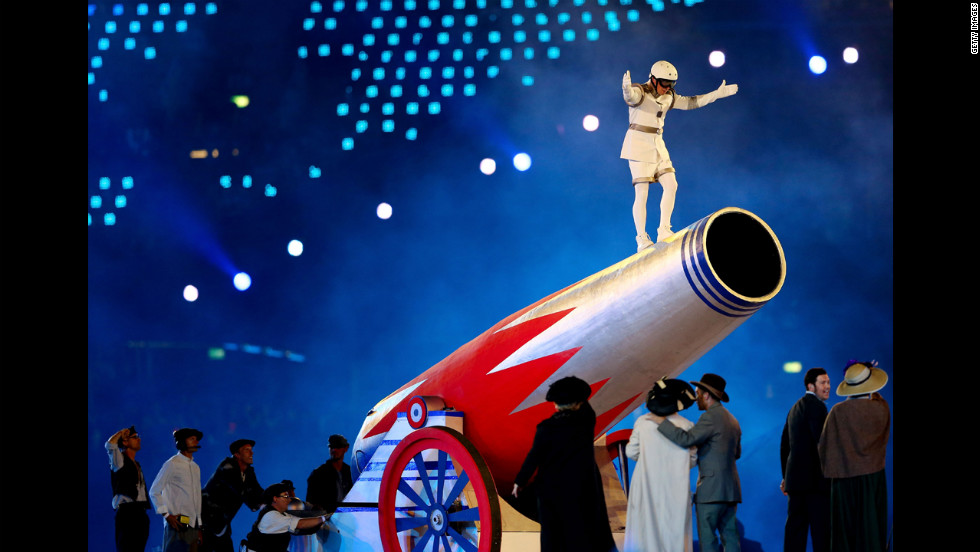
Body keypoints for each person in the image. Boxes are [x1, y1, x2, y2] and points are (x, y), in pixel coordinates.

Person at [621, 60, 739, 251]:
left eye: (671, 85)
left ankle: (664, 229)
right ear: (653, 79)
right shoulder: (640, 91)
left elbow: (691, 102)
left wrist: (716, 95)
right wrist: (626, 89)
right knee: (642, 192)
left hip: (657, 143)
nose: (667, 89)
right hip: (638, 143)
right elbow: (632, 97)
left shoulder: (668, 96)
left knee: (671, 184)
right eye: (665, 84)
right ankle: (641, 238)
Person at [512, 376, 616, 552]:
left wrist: (520, 481)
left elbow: (534, 456)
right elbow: (585, 405)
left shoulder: (546, 428)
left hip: (552, 490)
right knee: (584, 530)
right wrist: (575, 389)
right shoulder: (586, 422)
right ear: (580, 402)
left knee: (554, 534)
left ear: (555, 404)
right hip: (583, 487)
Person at [657, 373, 742, 552]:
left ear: (706, 395)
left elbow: (687, 439)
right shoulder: (733, 420)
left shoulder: (710, 417)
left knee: (708, 541)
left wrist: (662, 422)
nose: (695, 399)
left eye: (697, 393)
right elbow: (737, 454)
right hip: (731, 490)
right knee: (731, 539)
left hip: (711, 491)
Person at [817, 360, 890, 552]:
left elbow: (824, 448)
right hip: (873, 478)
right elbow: (877, 398)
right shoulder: (881, 408)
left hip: (844, 481)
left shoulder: (838, 412)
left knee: (845, 533)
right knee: (871, 529)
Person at [624, 377, 698, 552]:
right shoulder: (687, 425)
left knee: (644, 531)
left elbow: (631, 452)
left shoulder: (643, 422)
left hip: (645, 486)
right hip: (676, 488)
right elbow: (693, 460)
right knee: (675, 531)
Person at [780, 367, 831, 552]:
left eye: (828, 382)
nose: (828, 386)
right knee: (822, 536)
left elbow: (785, 445)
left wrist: (786, 477)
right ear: (811, 385)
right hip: (815, 483)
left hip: (795, 483)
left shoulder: (794, 408)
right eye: (823, 382)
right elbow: (823, 444)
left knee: (794, 535)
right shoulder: (818, 407)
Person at [200, 438, 264, 552]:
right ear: (237, 454)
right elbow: (241, 491)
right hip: (203, 522)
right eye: (246, 450)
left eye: (251, 449)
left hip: (221, 524)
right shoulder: (227, 467)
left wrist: (275, 496)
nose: (251, 452)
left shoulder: (248, 472)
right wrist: (259, 505)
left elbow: (258, 491)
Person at [150, 427, 205, 552]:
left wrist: (199, 526)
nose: (196, 442)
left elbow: (197, 498)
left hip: (192, 525)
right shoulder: (172, 464)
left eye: (196, 439)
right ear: (181, 442)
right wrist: (167, 515)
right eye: (192, 439)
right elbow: (154, 491)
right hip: (177, 524)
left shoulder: (196, 467)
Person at [242, 482, 328, 552]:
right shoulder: (271, 517)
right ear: (275, 499)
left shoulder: (282, 514)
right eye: (286, 496)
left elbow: (301, 522)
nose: (289, 500)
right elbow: (301, 524)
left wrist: (321, 520)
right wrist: (324, 518)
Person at [106, 425, 151, 552]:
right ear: (125, 442)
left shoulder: (136, 464)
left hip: (140, 513)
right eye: (135, 437)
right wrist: (121, 433)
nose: (139, 439)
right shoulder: (119, 460)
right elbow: (110, 445)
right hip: (127, 513)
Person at [305, 434, 353, 513]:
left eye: (337, 447)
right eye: (331, 447)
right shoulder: (319, 474)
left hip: (349, 516)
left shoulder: (350, 472)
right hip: (327, 518)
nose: (334, 450)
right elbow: (311, 503)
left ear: (346, 448)